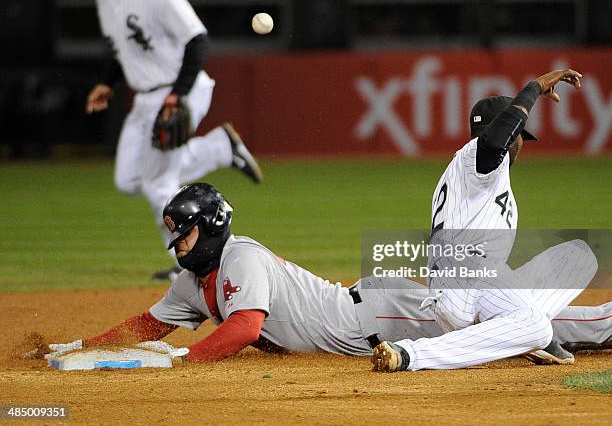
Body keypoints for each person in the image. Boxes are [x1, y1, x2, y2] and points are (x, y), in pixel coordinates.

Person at [43, 183, 610, 363]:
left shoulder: (241, 255)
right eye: (175, 235)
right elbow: (149, 324)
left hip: (382, 315)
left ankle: (603, 326)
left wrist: (187, 359)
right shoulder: (194, 281)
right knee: (500, 331)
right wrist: (83, 347)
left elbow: (243, 328)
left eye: (186, 233)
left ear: (212, 227)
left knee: (497, 328)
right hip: (368, 318)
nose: (178, 245)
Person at [370, 69, 598, 372]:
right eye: (519, 135)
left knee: (580, 256)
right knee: (539, 328)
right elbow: (493, 143)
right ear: (504, 131)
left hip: (481, 279)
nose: (522, 143)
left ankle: (524, 334)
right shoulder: (476, 158)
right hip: (461, 283)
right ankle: (412, 354)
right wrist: (533, 88)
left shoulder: (481, 173)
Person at [86, 0, 262, 281]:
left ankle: (188, 262)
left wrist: (176, 94)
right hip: (146, 95)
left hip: (180, 89)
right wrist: (107, 83)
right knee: (128, 179)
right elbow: (123, 51)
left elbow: (197, 41)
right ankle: (219, 148)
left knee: (158, 182)